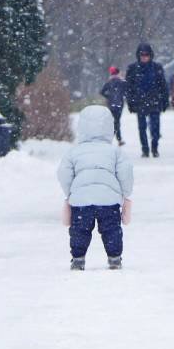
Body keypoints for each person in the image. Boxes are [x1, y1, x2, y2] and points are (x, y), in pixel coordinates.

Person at [58, 105, 134, 271]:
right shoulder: (115, 152)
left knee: (80, 230)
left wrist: (70, 192)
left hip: (81, 201)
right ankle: (114, 257)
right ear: (109, 127)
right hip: (109, 201)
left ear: (82, 127)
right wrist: (125, 192)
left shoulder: (74, 152)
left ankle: (78, 258)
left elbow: (63, 173)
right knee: (111, 229)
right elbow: (125, 172)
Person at [125, 43, 168, 157]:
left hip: (154, 101)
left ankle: (154, 147)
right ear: (138, 55)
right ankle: (145, 149)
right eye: (142, 55)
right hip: (140, 102)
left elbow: (163, 85)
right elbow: (129, 88)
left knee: (155, 127)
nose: (144, 57)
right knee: (142, 127)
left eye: (146, 55)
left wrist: (165, 100)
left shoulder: (157, 68)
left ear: (150, 55)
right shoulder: (132, 69)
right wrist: (130, 102)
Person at [100, 66, 127, 145]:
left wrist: (109, 97)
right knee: (117, 122)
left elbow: (102, 92)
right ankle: (118, 139)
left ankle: (110, 138)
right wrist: (122, 97)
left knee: (112, 122)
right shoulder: (122, 82)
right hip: (119, 104)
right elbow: (127, 92)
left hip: (111, 104)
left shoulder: (109, 82)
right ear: (118, 73)